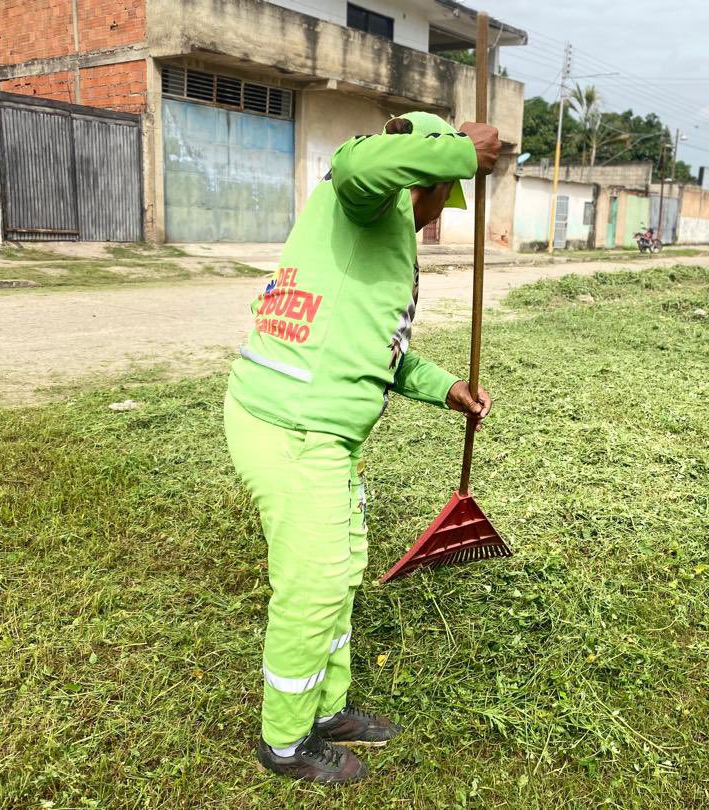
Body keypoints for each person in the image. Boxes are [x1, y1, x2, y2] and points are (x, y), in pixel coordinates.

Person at [223, 112, 501, 785]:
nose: (436, 214)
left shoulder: (382, 240)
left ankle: (327, 709)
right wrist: (460, 149)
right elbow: (357, 162)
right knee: (312, 587)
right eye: (440, 194)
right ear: (424, 175)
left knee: (342, 574)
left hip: (328, 435)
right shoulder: (363, 197)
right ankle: (284, 741)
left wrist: (447, 388)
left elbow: (379, 353)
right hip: (292, 426)